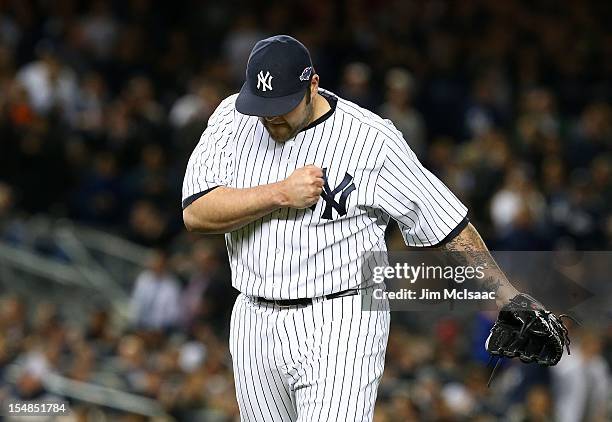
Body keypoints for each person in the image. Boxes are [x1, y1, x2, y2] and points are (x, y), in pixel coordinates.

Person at [182, 35, 521, 422]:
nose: (271, 117)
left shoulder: (371, 140)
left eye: (282, 106)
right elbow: (195, 212)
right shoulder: (233, 116)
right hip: (253, 315)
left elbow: (445, 222)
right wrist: (279, 193)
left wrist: (507, 296)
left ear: (312, 85)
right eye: (263, 106)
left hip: (340, 319)